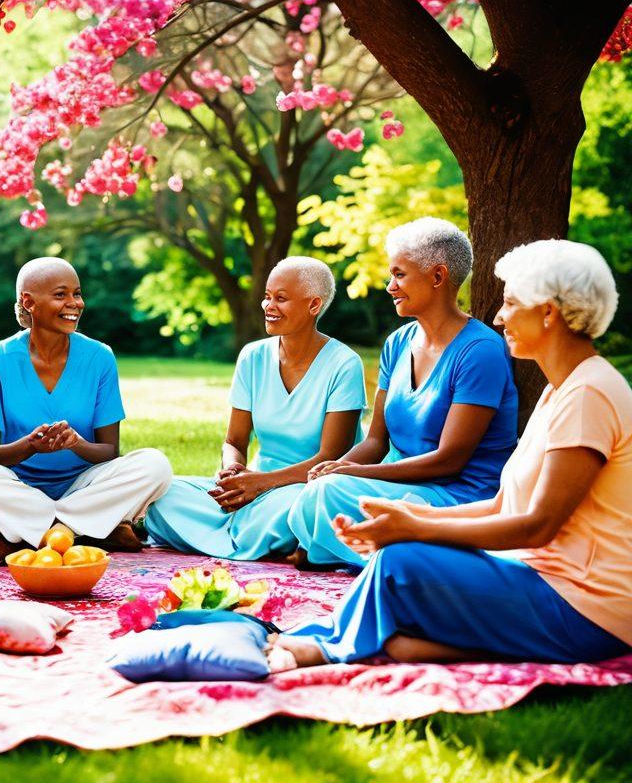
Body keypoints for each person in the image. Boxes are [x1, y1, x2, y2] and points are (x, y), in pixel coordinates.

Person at [270, 240, 631, 670]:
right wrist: (410, 520)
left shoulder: (587, 393)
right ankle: (386, 643)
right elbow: (503, 505)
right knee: (402, 615)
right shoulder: (561, 389)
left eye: (511, 303)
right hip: (546, 585)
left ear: (549, 313)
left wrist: (417, 532)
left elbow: (538, 526)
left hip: (584, 608)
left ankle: (326, 647)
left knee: (401, 564)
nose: (498, 317)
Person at [286, 218, 519, 566]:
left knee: (328, 494)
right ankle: (373, 552)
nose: (390, 286)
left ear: (437, 277)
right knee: (314, 491)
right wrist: (334, 468)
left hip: (457, 499)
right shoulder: (398, 343)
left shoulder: (480, 350)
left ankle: (374, 554)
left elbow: (449, 460)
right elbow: (375, 442)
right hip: (397, 489)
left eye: (399, 275)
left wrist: (351, 475)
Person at [0, 257, 172, 562]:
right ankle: (89, 530)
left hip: (85, 485)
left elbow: (109, 451)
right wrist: (30, 446)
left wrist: (76, 443)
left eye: (77, 294)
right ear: (29, 301)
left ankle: (33, 532)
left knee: (155, 465)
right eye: (61, 294)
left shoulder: (99, 357)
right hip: (19, 487)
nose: (74, 303)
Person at [143, 257, 366, 560]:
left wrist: (259, 484)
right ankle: (260, 542)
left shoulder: (344, 364)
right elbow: (234, 441)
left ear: (314, 305)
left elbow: (329, 458)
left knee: (296, 510)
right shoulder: (252, 357)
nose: (268, 306)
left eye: (281, 298)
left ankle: (237, 537)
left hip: (305, 488)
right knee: (166, 496)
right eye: (267, 296)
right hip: (256, 485)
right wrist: (232, 471)